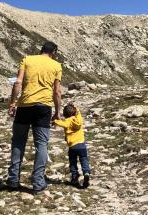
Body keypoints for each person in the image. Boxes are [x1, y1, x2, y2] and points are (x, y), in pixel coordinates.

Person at [6, 41, 62, 193]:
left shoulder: (27, 59)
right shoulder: (56, 66)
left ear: (41, 50)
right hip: (44, 107)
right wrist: (57, 112)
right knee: (42, 144)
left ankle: (12, 180)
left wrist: (12, 103)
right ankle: (38, 183)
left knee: (18, 142)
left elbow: (18, 82)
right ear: (54, 52)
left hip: (24, 106)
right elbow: (57, 92)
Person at [53, 102, 91, 188]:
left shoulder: (67, 121)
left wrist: (55, 121)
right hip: (81, 145)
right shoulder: (79, 119)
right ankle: (86, 172)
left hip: (72, 147)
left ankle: (74, 179)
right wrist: (76, 109)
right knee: (84, 159)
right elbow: (78, 114)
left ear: (65, 114)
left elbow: (62, 123)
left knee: (73, 163)